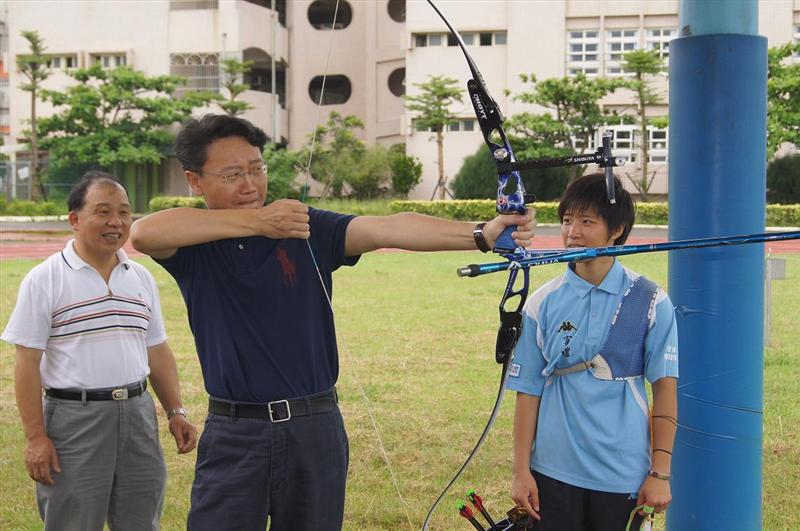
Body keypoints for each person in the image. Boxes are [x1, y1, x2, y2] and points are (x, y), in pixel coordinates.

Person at [129, 113, 535, 531]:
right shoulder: (195, 244)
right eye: (232, 175)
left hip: (313, 428)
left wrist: (481, 234)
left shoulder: (302, 226)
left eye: (256, 169)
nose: (249, 184)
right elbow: (143, 233)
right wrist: (258, 222)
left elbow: (386, 228)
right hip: (235, 431)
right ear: (195, 181)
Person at [2, 173, 197, 531]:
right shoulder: (45, 279)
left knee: (141, 521)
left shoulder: (140, 277)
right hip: (74, 421)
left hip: (138, 416)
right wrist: (35, 438)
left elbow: (156, 349)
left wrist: (176, 412)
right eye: (103, 212)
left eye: (124, 212)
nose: (116, 222)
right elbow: (27, 363)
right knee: (73, 522)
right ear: (75, 219)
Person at [507, 173, 678, 531]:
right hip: (552, 471)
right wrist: (521, 471)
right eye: (567, 220)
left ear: (617, 230)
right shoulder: (542, 302)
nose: (573, 232)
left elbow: (665, 390)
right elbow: (528, 391)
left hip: (623, 474)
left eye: (587, 222)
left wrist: (660, 473)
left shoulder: (651, 301)